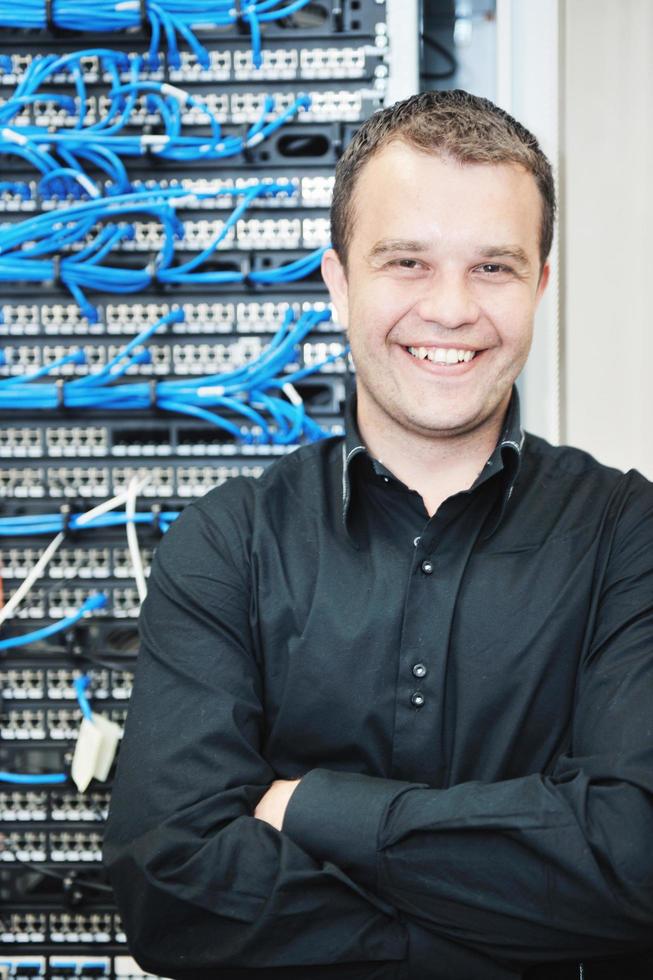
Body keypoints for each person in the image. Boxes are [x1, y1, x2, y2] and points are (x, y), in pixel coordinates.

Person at [104, 90, 653, 980]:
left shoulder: (628, 535)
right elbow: (170, 885)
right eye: (406, 262)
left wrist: (313, 809)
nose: (449, 310)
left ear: (539, 285)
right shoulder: (227, 543)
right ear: (338, 283)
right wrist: (505, 934)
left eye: (493, 268)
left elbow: (634, 859)